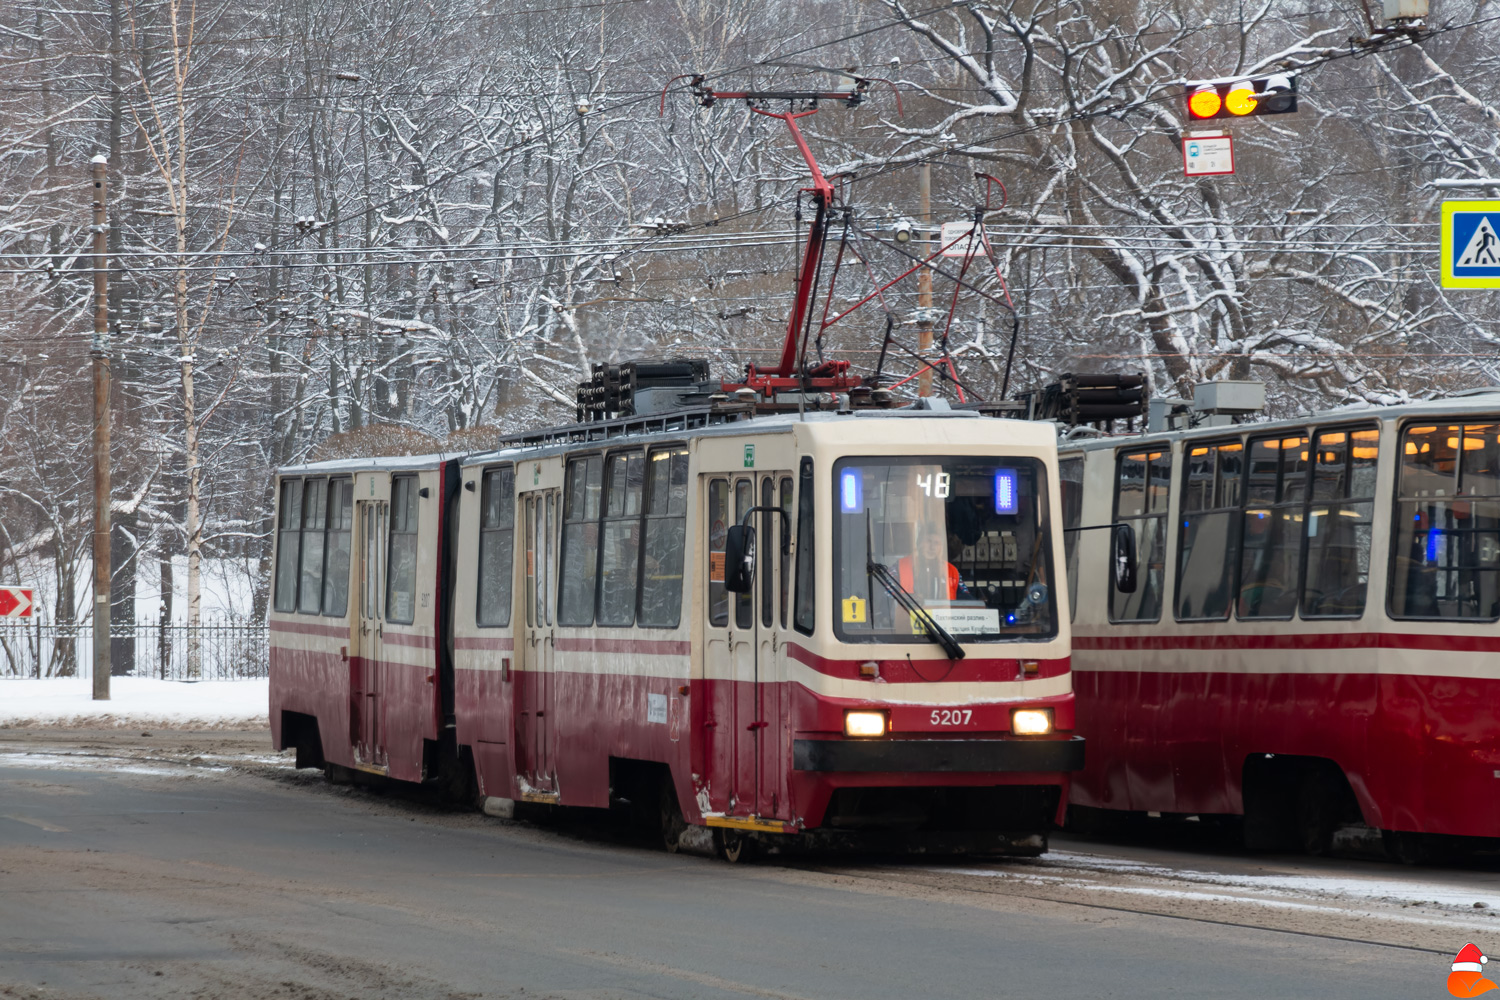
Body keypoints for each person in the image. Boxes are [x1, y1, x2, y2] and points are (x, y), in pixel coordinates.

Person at [898, 526, 963, 601]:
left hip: (942, 613)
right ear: (919, 543)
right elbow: (887, 595)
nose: (932, 547)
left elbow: (966, 598)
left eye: (937, 543)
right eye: (928, 541)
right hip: (910, 612)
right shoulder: (900, 566)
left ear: (941, 547)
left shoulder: (952, 571)